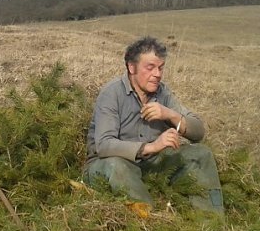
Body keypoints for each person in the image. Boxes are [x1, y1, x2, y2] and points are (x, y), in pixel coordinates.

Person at [84, 36, 224, 215]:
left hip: (149, 166)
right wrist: (151, 147)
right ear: (131, 67)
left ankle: (211, 222)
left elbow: (198, 133)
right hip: (107, 165)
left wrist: (170, 115)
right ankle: (151, 223)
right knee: (117, 166)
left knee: (201, 153)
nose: (157, 74)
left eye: (161, 67)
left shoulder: (162, 93)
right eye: (150, 67)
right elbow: (104, 145)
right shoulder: (111, 94)